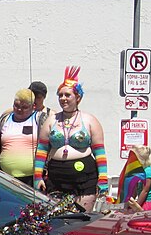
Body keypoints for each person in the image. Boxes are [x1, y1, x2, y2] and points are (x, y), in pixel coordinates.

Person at [33, 66, 108, 212]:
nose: (63, 99)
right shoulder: (51, 120)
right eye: (60, 95)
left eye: (67, 95)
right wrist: (38, 177)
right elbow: (41, 151)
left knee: (83, 219)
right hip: (57, 177)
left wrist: (103, 179)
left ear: (78, 97)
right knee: (59, 219)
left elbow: (100, 153)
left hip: (85, 178)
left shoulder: (90, 120)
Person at [0, 89, 45, 185]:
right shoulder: (5, 119)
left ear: (33, 107)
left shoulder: (40, 119)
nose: (19, 109)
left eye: (24, 107)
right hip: (5, 176)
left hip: (32, 178)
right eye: (16, 105)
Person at [132, 145, 151, 211]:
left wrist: (136, 206)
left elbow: (145, 191)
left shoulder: (148, 171)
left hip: (150, 201)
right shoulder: (138, 171)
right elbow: (135, 189)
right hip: (142, 201)